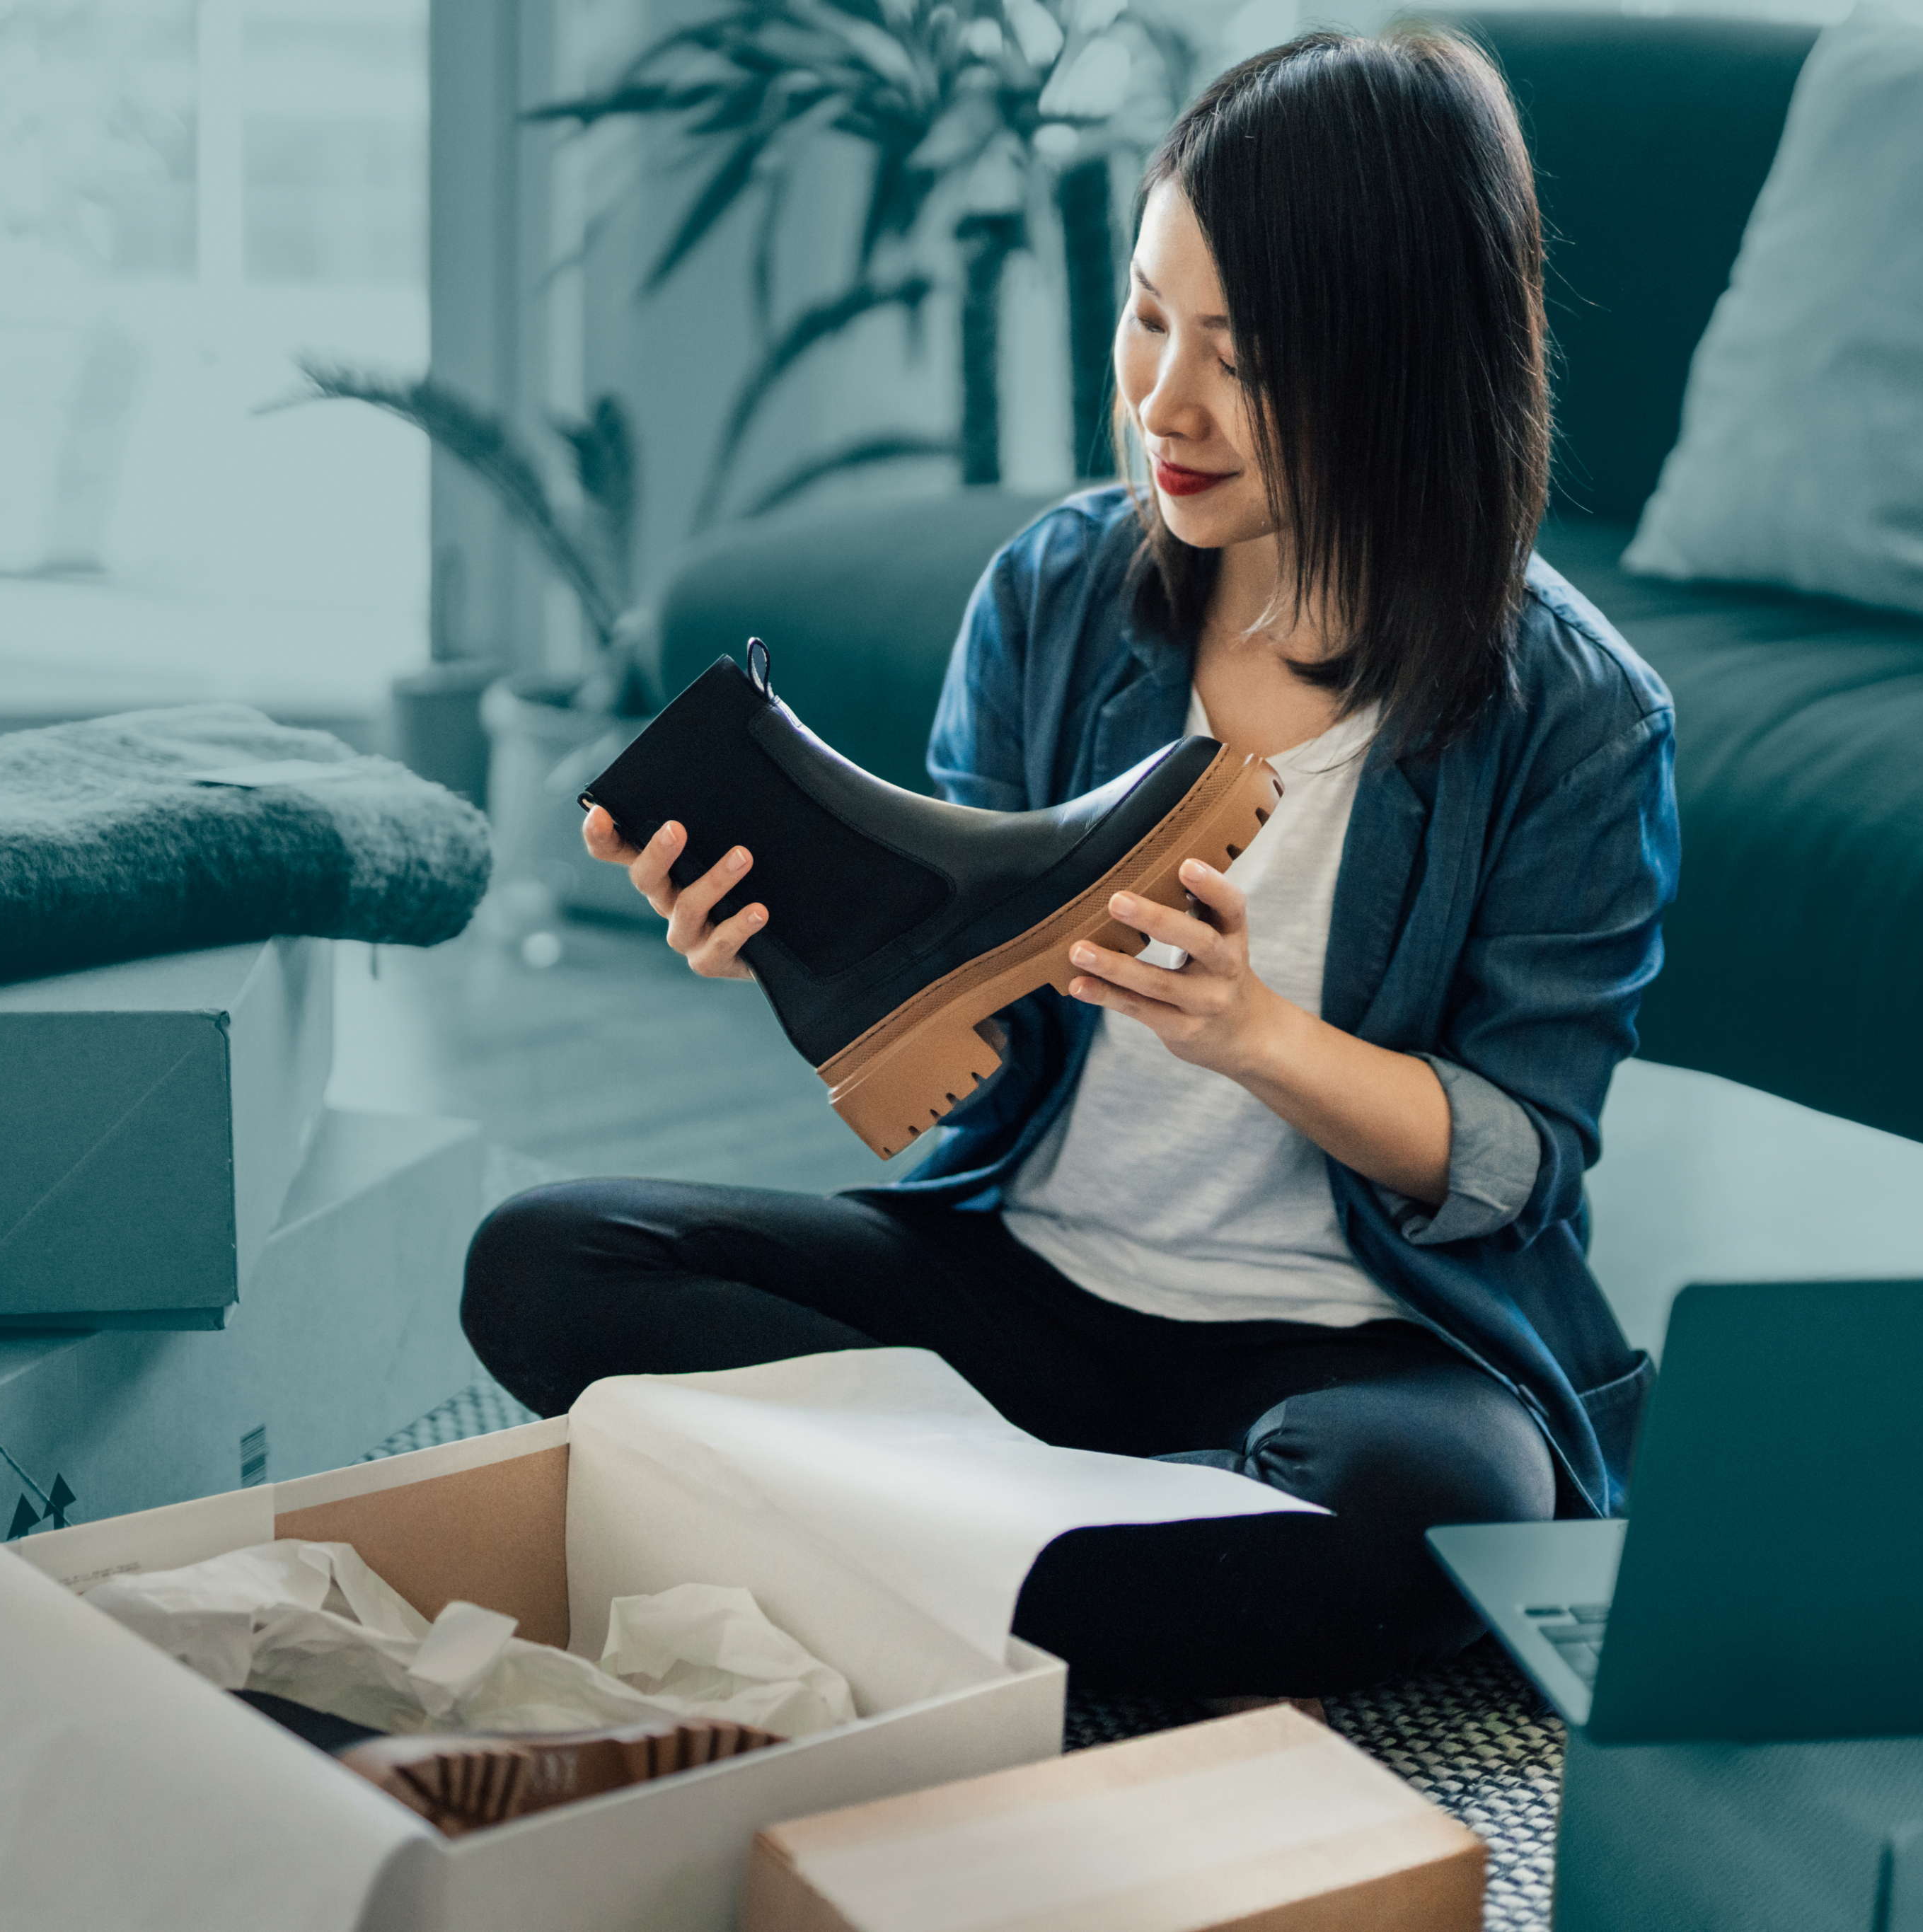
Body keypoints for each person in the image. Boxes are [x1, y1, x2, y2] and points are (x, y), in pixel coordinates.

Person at [461, 25, 1677, 1696]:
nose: (1160, 400)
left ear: (1398, 362)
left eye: (1239, 358)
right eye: (1145, 313)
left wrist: (1257, 1035)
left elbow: (1515, 1158)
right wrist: (804, 941)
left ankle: (901, 1533)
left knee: (1429, 1504)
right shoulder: (1053, 599)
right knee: (543, 1259)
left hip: (1360, 1347)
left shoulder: (1576, 716)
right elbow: (987, 1055)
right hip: (1025, 1290)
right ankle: (1069, 1553)